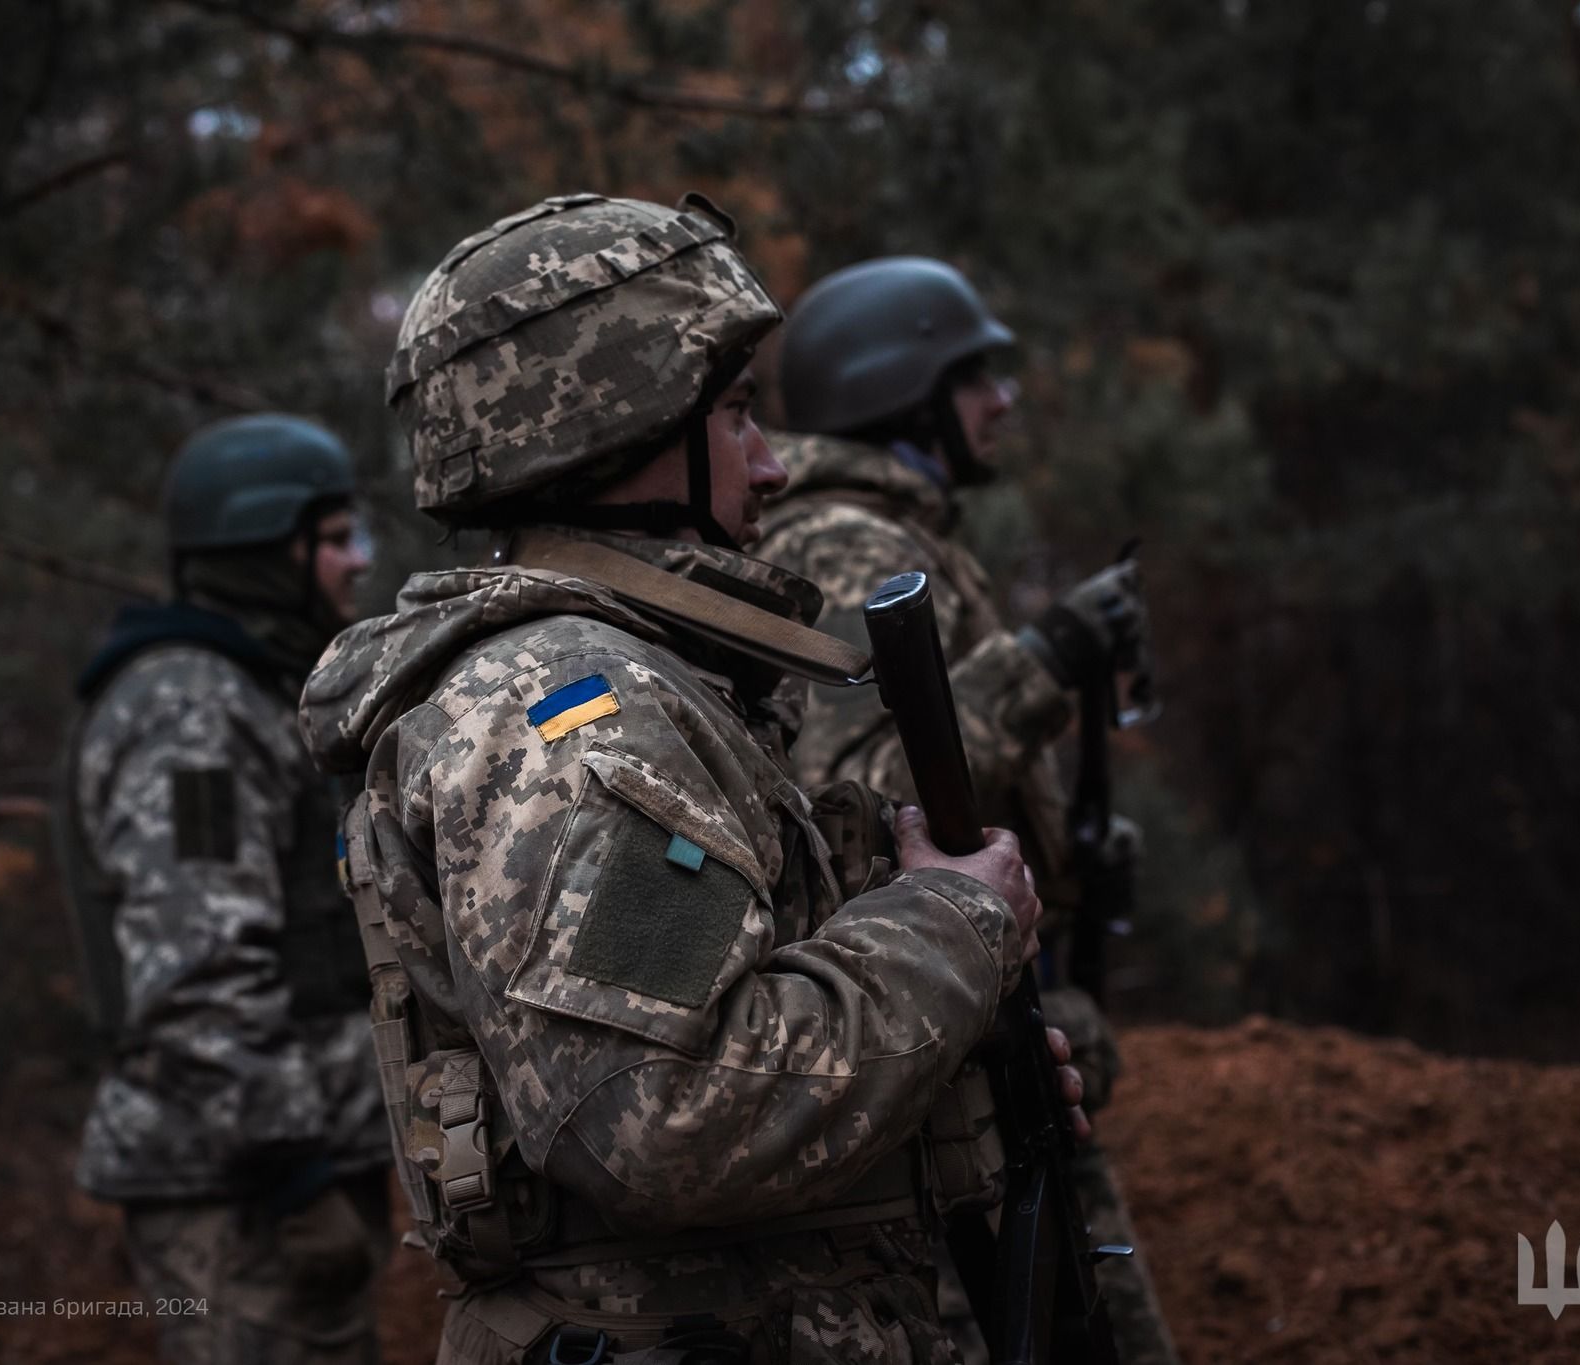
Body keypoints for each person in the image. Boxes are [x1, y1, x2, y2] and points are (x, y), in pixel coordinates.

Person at [300, 194, 1083, 1364]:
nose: (769, 469)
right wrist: (950, 929)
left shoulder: (636, 684)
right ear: (612, 432)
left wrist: (953, 1070)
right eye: (731, 416)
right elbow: (664, 1115)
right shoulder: (571, 710)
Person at [755, 256, 1178, 1365]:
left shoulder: (901, 535)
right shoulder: (847, 542)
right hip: (924, 1065)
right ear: (901, 392)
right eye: (973, 375)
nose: (1002, 401)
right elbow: (871, 789)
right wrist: (1047, 660)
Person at [55, 413, 389, 1365]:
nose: (356, 563)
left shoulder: (240, 691)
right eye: (333, 541)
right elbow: (196, 969)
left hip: (272, 1162)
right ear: (261, 554)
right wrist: (292, 1175)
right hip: (242, 1186)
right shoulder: (191, 710)